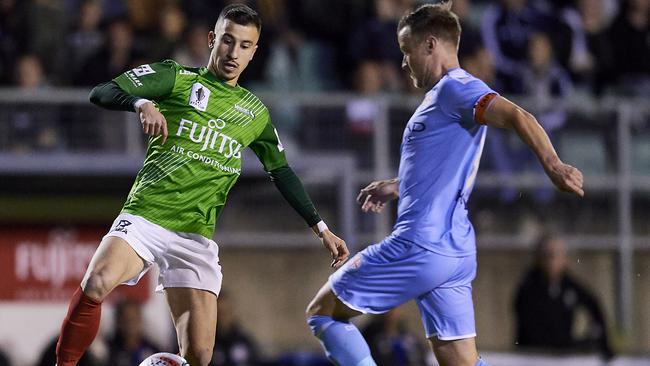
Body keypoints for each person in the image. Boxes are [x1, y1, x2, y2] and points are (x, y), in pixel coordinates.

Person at [55, 4, 349, 366]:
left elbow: (281, 171)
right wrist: (141, 102)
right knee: (97, 280)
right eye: (228, 41)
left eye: (245, 45)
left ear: (254, 52)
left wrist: (321, 229)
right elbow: (100, 92)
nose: (233, 53)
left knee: (200, 355)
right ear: (213, 40)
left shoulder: (254, 113)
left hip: (195, 236)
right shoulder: (176, 78)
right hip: (146, 216)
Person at [305, 3, 584, 366]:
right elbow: (440, 167)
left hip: (421, 242)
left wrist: (553, 163)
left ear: (431, 45)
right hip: (454, 251)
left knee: (323, 312)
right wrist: (397, 185)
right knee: (460, 361)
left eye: (407, 52)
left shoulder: (458, 89)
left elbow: (517, 115)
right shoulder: (442, 98)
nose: (403, 63)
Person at [514, 234, 614, 360]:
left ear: (565, 259)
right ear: (539, 259)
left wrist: (602, 341)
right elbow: (529, 325)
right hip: (534, 355)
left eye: (556, 255)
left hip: (563, 355)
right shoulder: (528, 288)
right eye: (548, 255)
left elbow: (593, 305)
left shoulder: (569, 286)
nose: (552, 261)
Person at [107, 299, 161, 366]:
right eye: (126, 319)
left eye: (134, 318)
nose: (131, 323)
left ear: (140, 319)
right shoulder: (107, 351)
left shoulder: (154, 352)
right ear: (118, 321)